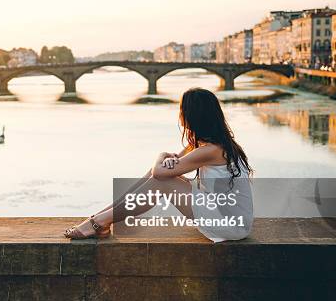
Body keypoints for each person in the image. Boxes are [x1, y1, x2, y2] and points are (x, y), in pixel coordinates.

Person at [64, 87, 253, 242]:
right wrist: (165, 163)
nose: (179, 115)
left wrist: (161, 155)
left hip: (230, 224)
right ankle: (99, 219)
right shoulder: (208, 144)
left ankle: (98, 222)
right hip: (224, 215)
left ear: (193, 116)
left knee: (162, 182)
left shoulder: (210, 150)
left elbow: (161, 173)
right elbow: (168, 166)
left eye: (182, 110)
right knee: (160, 177)